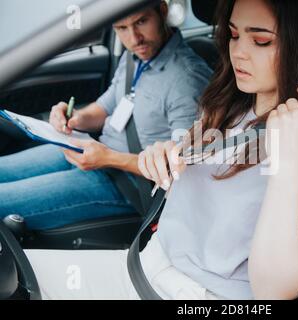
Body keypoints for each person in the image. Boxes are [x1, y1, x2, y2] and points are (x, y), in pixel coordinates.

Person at [25, 0, 298, 300]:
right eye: (233, 35)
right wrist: (163, 158)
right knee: (13, 271)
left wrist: (286, 162)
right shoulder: (225, 108)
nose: (238, 52)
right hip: (142, 264)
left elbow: (273, 293)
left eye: (260, 40)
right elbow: (184, 187)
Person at [0, 0, 212, 230]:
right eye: (121, 28)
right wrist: (76, 118)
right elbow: (106, 105)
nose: (134, 38)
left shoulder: (186, 80)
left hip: (128, 184)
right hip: (95, 152)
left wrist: (108, 158)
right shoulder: (135, 57)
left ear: (162, 11)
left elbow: (183, 167)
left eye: (141, 22)